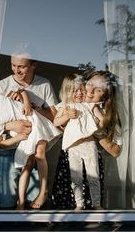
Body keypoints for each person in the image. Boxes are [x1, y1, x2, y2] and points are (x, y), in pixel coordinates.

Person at [0, 43, 59, 209]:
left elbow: (54, 117)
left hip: (36, 150)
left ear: (34, 65)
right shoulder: (1, 86)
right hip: (8, 150)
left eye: (21, 67)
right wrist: (11, 125)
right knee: (7, 202)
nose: (16, 70)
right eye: (13, 65)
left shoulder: (44, 85)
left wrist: (32, 107)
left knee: (34, 206)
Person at [0, 90, 62, 210]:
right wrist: (18, 138)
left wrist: (26, 103)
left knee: (39, 154)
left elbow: (22, 91)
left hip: (37, 122)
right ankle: (21, 201)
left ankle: (43, 192)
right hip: (29, 132)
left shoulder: (0, 98)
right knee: (27, 166)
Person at [54, 73, 106, 210]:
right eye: (74, 90)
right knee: (76, 178)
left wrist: (95, 129)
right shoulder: (66, 106)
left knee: (93, 176)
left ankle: (97, 204)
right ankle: (79, 203)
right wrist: (66, 116)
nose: (78, 93)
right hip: (73, 147)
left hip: (89, 145)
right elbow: (56, 121)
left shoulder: (90, 105)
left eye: (81, 90)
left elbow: (103, 119)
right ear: (68, 92)